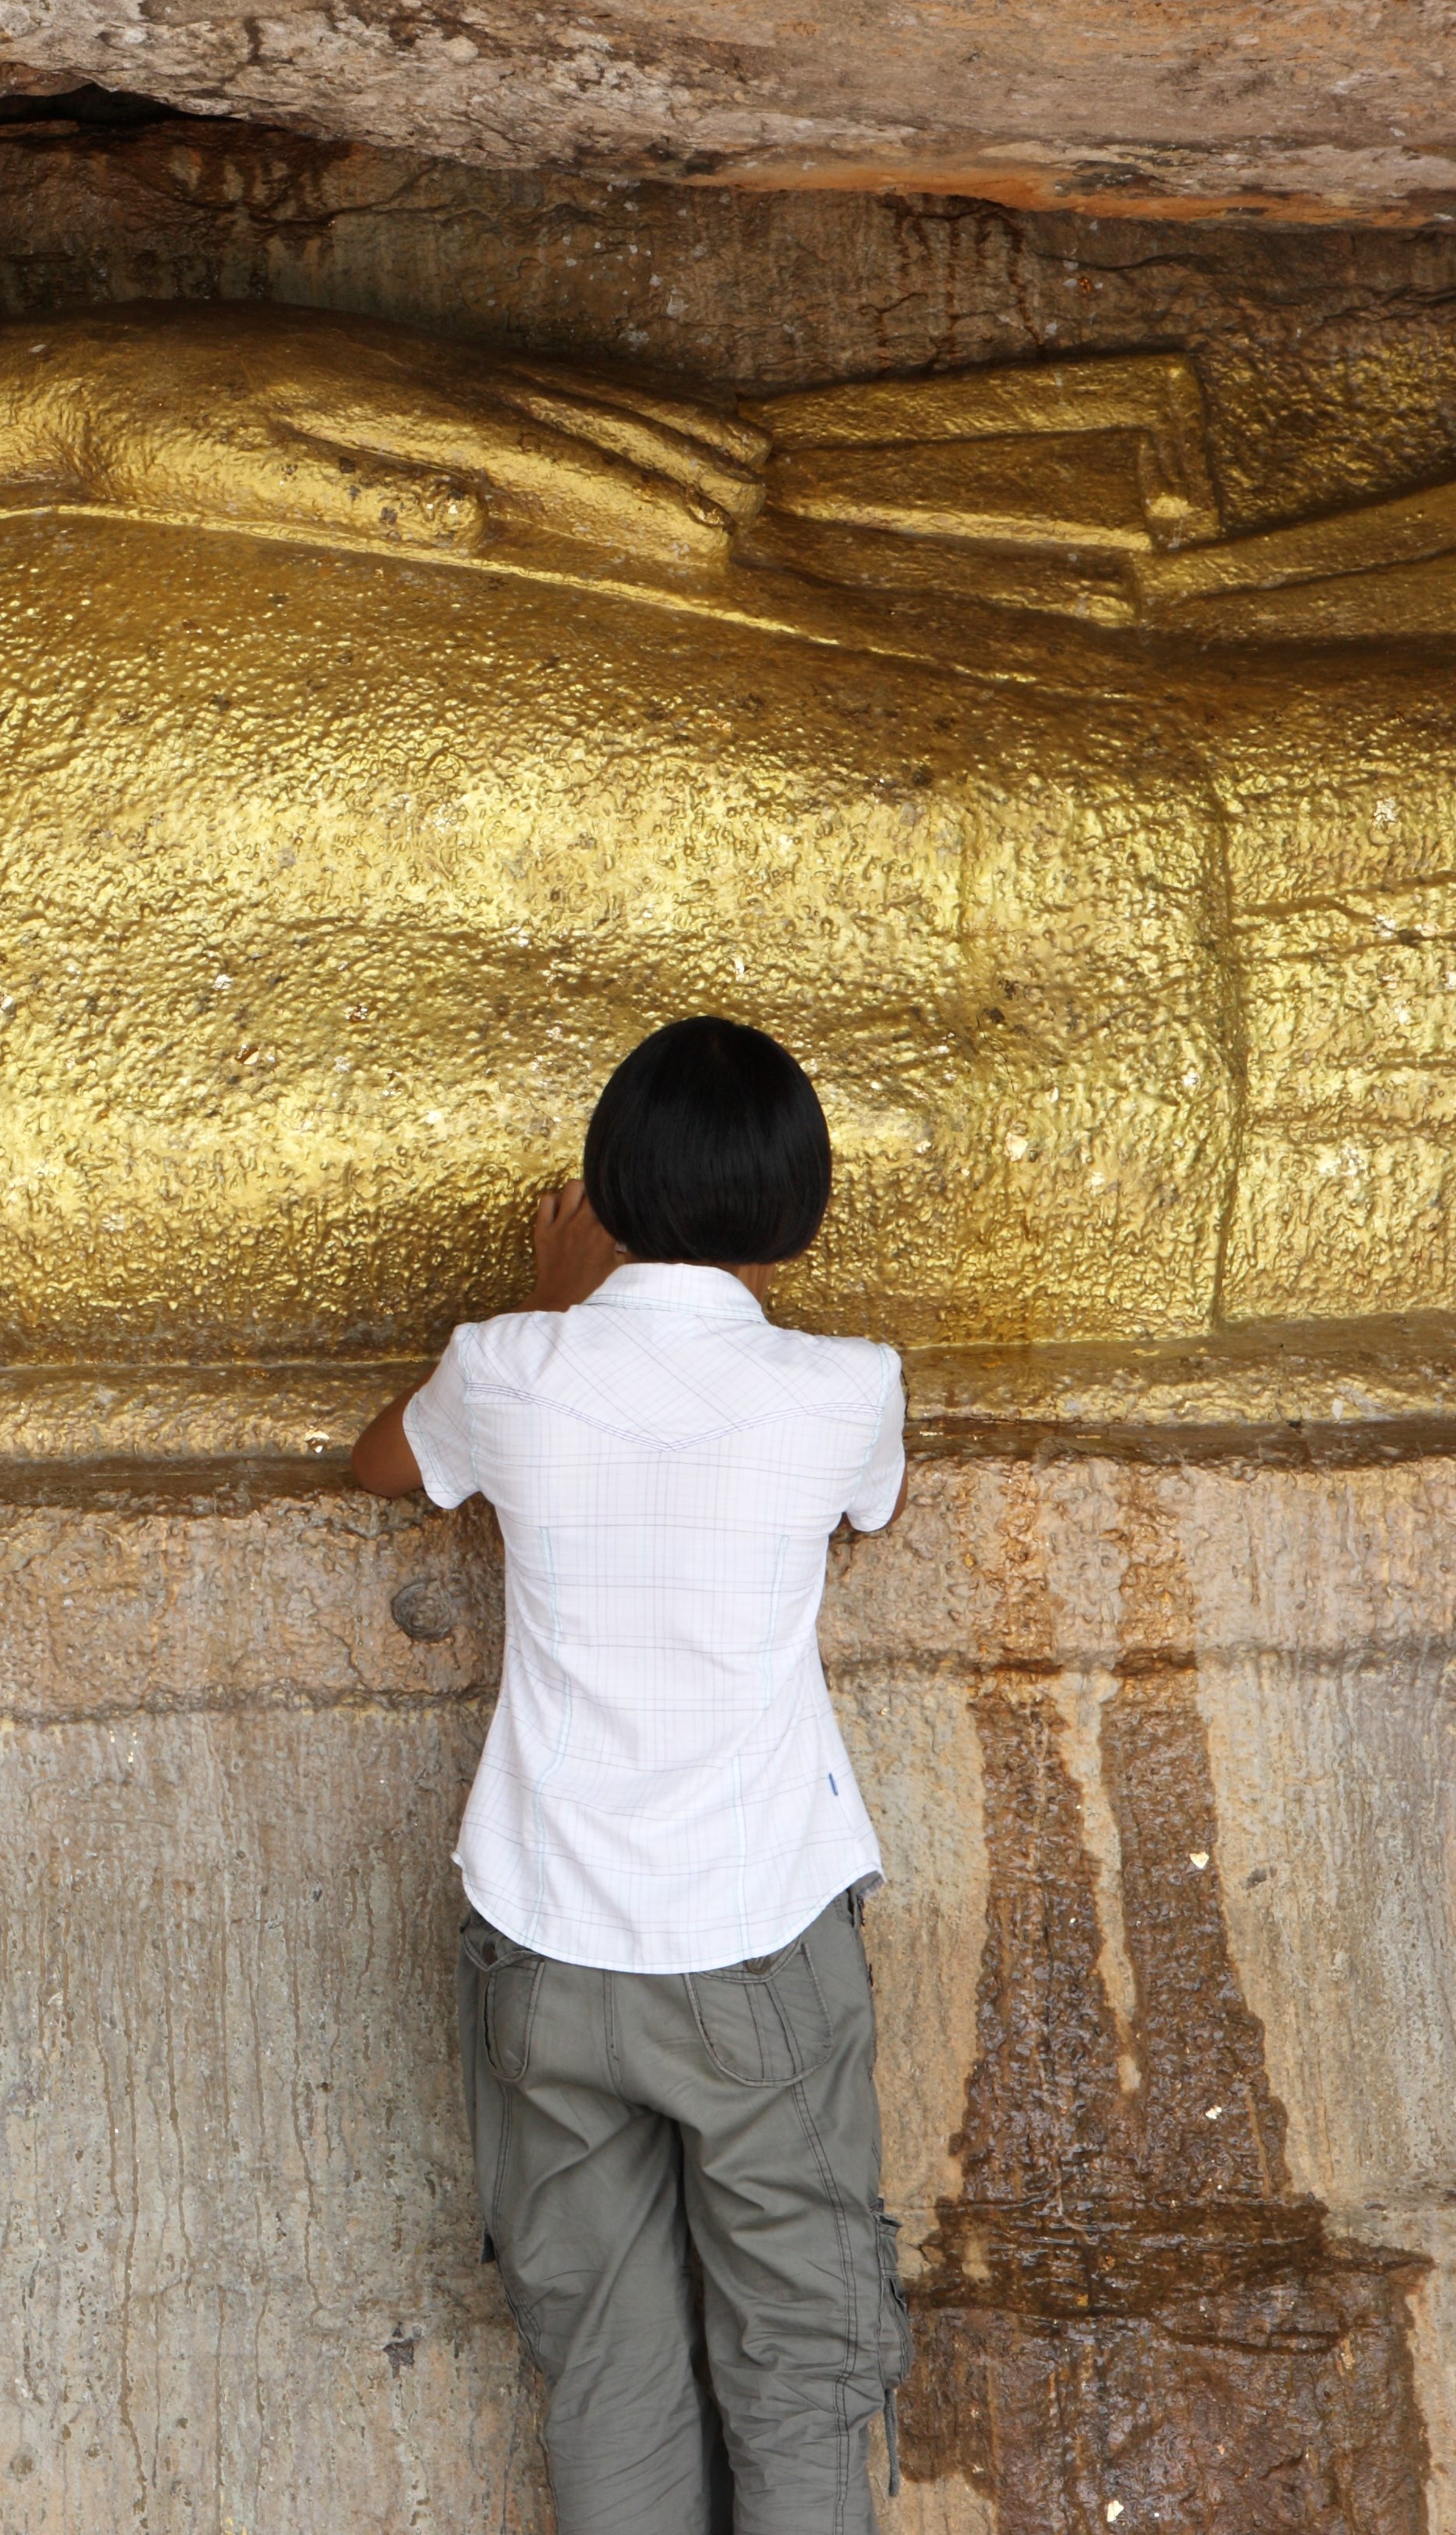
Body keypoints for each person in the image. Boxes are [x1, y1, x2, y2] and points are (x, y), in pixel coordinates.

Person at [351, 1016, 910, 2535]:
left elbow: (380, 1465)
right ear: (795, 1211)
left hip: (552, 1954)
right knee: (796, 2368)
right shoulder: (847, 1387)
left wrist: (546, 1317)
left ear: (606, 1189)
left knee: (604, 2366)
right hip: (761, 1960)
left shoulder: (512, 1365)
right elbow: (870, 1506)